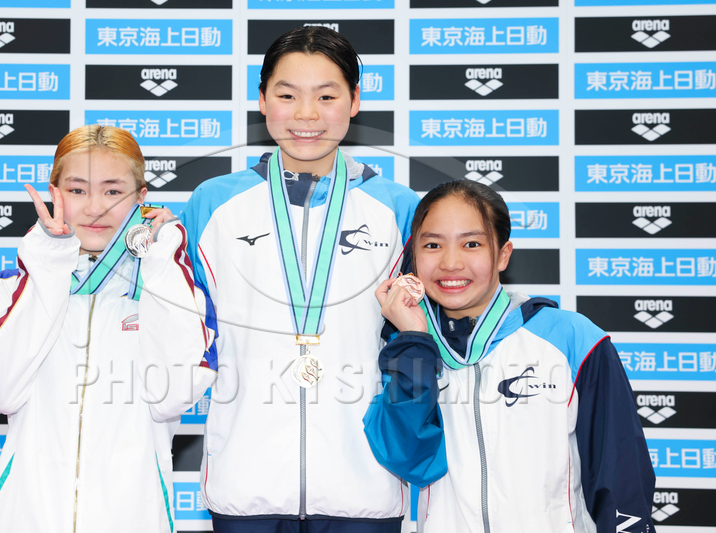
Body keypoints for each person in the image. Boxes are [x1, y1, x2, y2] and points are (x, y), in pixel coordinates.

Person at [180, 26, 420, 532]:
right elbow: (183, 328)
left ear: (354, 102)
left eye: (326, 96)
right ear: (262, 100)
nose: (306, 114)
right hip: (245, 484)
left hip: (366, 485)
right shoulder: (213, 204)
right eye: (287, 95)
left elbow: (417, 337)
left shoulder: (398, 208)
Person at [0, 125, 214, 532]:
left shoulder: (170, 292)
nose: (95, 208)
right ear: (54, 194)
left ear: (142, 198)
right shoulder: (8, 291)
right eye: (77, 190)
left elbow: (172, 396)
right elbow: (0, 392)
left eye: (114, 191)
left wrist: (163, 262)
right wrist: (48, 265)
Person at [363, 179, 656, 533]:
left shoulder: (570, 338)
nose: (451, 262)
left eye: (472, 244)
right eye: (433, 245)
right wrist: (413, 342)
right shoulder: (407, 346)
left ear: (503, 254)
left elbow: (620, 477)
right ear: (414, 256)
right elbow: (410, 459)